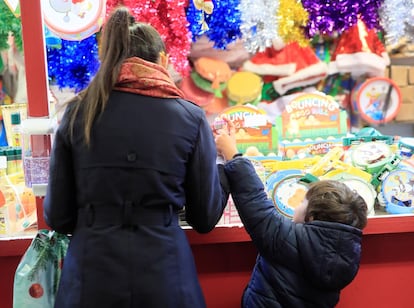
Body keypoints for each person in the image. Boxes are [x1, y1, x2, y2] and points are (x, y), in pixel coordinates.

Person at [43, 6, 228, 308]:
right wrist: (226, 166)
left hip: (91, 279)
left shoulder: (78, 113)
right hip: (166, 278)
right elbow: (204, 217)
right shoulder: (191, 118)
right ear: (163, 61)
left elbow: (59, 217)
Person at [214, 119, 368, 308]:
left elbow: (254, 201)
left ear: (311, 217)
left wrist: (233, 155)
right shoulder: (348, 251)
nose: (296, 206)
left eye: (302, 201)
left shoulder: (287, 238)